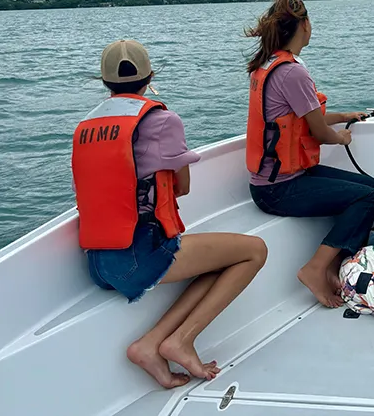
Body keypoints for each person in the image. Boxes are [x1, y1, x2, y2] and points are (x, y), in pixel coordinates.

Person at [72, 39, 268, 389]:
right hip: (138, 256)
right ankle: (180, 341)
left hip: (98, 262)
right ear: (150, 77)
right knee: (254, 251)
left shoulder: (86, 126)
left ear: (104, 83)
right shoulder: (162, 120)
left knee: (218, 265)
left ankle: (152, 345)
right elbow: (182, 187)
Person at [245, 0, 374, 308]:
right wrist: (341, 138)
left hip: (279, 178)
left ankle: (337, 266)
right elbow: (318, 132)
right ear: (304, 25)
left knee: (371, 188)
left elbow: (302, 119)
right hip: (278, 188)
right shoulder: (293, 72)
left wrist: (346, 116)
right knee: (369, 197)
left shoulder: (269, 65)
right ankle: (316, 268)